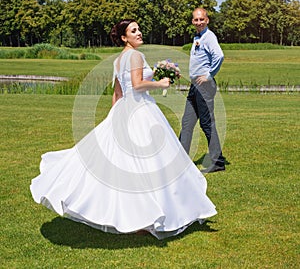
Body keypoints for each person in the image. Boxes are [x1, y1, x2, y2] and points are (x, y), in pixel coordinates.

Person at [30, 19, 217, 240]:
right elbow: (137, 85)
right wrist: (161, 84)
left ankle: (139, 215)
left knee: (130, 164)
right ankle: (160, 212)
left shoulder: (118, 60)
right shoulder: (136, 56)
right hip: (140, 110)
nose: (139, 33)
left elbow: (117, 93)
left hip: (125, 110)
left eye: (139, 29)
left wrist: (114, 117)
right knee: (153, 161)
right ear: (123, 37)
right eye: (133, 31)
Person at [179, 8, 226, 174]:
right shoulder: (197, 37)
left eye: (201, 19)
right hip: (194, 86)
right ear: (192, 21)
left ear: (207, 20)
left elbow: (219, 56)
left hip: (204, 86)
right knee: (187, 123)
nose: (198, 22)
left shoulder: (209, 37)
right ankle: (181, 160)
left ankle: (218, 162)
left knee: (207, 123)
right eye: (195, 20)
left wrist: (209, 75)